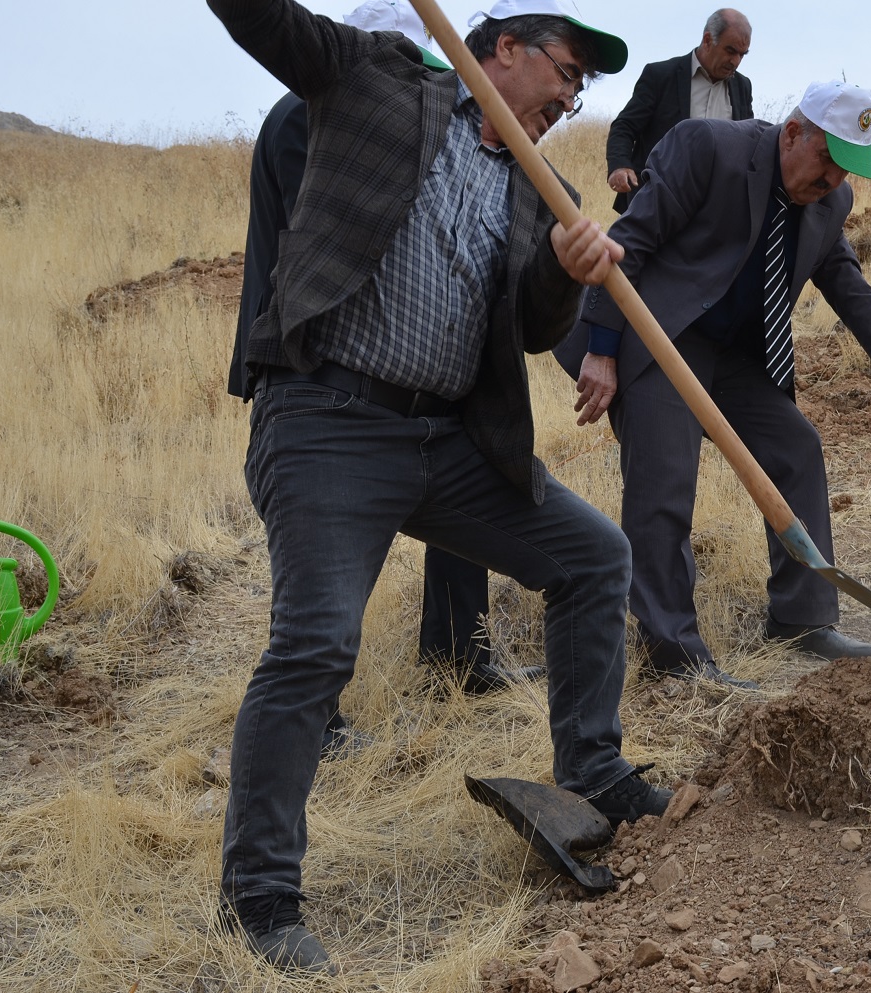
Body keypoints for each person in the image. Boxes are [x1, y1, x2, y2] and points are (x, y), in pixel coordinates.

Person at [207, 0, 663, 974]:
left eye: (585, 89)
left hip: (448, 443)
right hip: (329, 420)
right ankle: (258, 895)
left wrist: (564, 269)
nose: (574, 97)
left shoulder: (543, 185)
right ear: (502, 49)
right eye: (568, 70)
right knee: (315, 643)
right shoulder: (377, 80)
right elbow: (262, 22)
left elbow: (535, 329)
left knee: (595, 557)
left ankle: (595, 774)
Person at [556, 81, 871, 690]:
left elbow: (852, 291)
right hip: (657, 332)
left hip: (736, 356)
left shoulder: (831, 203)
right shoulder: (707, 147)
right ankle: (673, 653)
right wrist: (601, 351)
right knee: (664, 475)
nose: (833, 179)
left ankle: (803, 621)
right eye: (826, 160)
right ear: (792, 133)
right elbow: (630, 243)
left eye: (846, 169)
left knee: (796, 450)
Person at [232, 2, 535, 696]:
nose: (424, 85)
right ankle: (325, 710)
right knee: (320, 566)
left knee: (468, 490)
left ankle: (459, 652)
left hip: (411, 374)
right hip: (326, 372)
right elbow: (323, 247)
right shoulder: (315, 108)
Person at [603, 8, 752, 213]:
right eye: (730, 51)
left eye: (742, 54)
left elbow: (748, 145)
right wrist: (619, 166)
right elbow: (625, 126)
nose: (736, 61)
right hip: (652, 206)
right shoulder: (660, 76)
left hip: (711, 213)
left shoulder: (743, 87)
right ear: (707, 40)